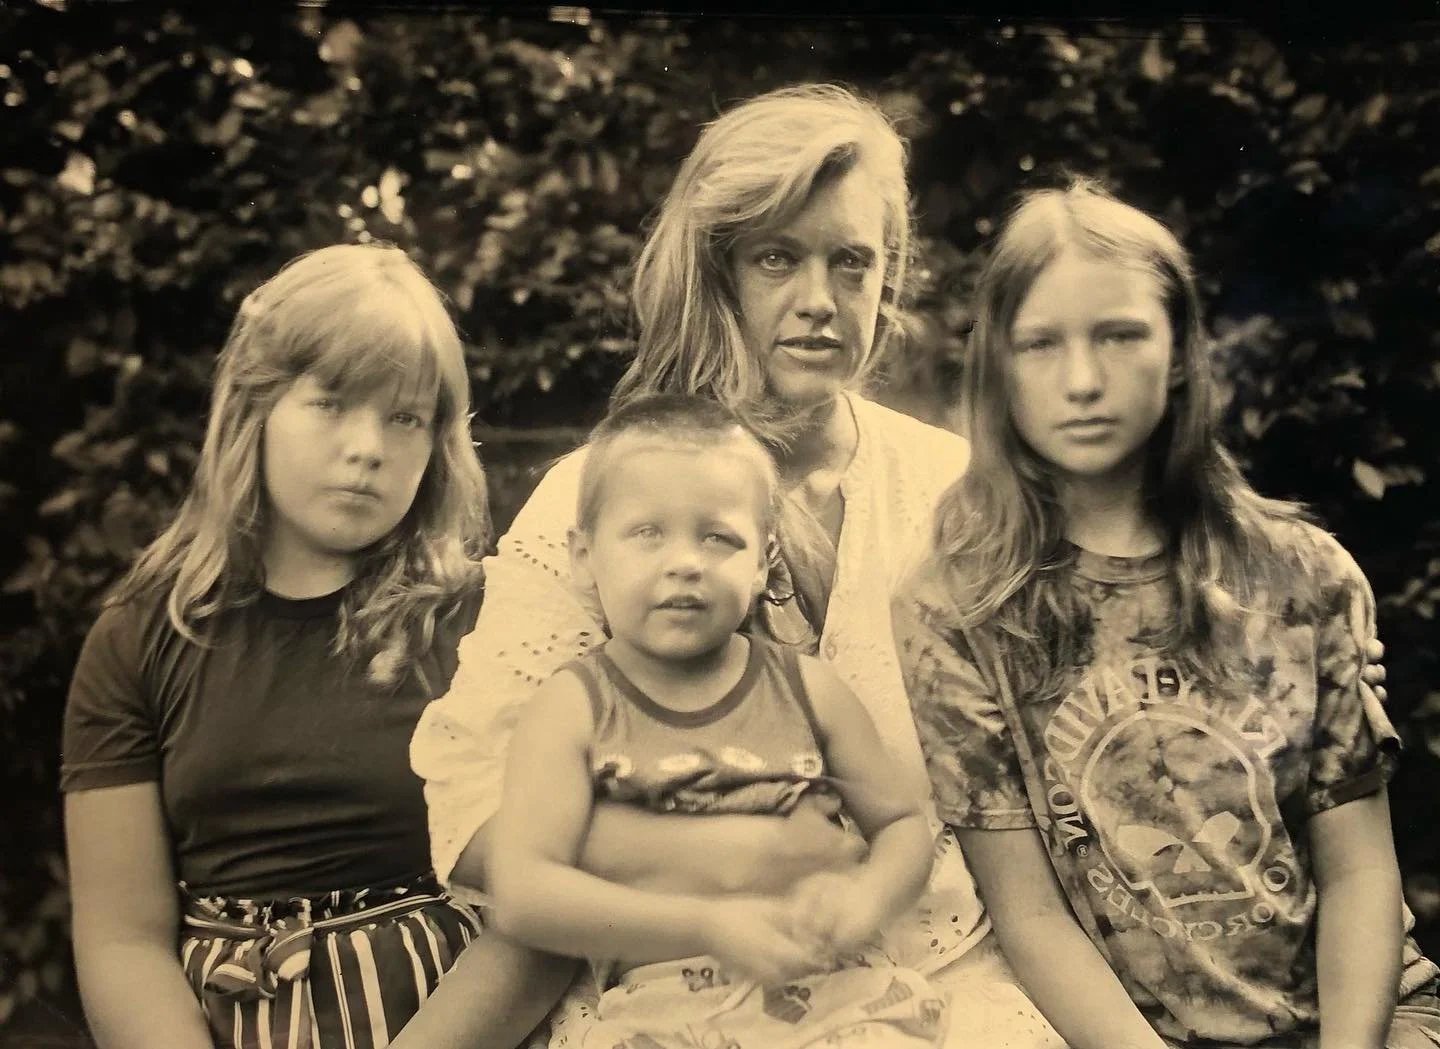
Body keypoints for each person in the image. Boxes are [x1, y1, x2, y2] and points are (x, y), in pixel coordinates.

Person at [407, 84, 1066, 1049]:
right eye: (775, 258)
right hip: (672, 994)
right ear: (715, 273)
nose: (817, 302)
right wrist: (723, 861)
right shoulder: (599, 500)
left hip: (940, 981)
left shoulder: (953, 491)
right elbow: (474, 811)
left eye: (851, 263)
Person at [892, 178, 1440, 1049]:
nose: (1081, 381)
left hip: (1361, 1019)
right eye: (1040, 345)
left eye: (1119, 336)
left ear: (1179, 349)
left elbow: (1360, 869)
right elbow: (1030, 913)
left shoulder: (1301, 573)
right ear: (998, 363)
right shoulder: (960, 607)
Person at [61, 244, 548, 1049]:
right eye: (331, 403)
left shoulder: (487, 623)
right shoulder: (142, 636)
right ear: (255, 409)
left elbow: (547, 906)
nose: (369, 448)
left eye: (405, 417)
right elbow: (121, 939)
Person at [489, 393, 949, 1048]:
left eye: (718, 536)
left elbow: (902, 823)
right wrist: (706, 923)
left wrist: (868, 897)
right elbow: (525, 890)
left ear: (762, 562)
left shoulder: (806, 688)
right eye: (647, 532)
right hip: (664, 1009)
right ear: (584, 555)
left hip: (835, 994)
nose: (685, 561)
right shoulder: (574, 706)